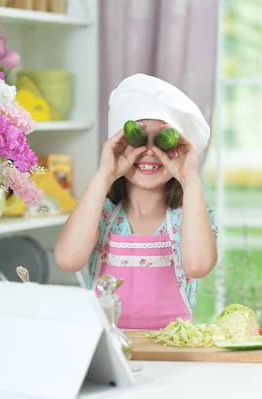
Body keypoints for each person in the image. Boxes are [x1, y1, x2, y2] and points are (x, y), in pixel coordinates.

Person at [55, 73, 219, 330]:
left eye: (164, 143)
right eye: (138, 139)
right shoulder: (103, 215)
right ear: (118, 144)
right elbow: (68, 259)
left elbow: (197, 266)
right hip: (108, 347)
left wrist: (189, 178)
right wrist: (104, 173)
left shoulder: (188, 217)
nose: (150, 151)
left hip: (171, 351)